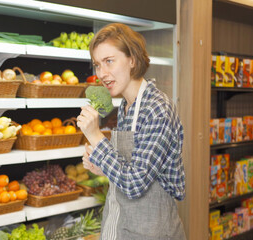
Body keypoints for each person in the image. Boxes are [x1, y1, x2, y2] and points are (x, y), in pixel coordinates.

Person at [76, 23, 186, 240]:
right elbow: (132, 169)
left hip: (153, 232)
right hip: (125, 229)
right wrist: (103, 167)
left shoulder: (156, 109)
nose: (102, 73)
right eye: (97, 65)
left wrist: (96, 137)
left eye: (109, 61)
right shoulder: (127, 107)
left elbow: (135, 185)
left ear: (132, 60)